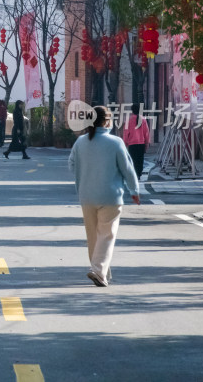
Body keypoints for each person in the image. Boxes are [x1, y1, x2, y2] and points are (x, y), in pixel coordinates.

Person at [69, 105, 140, 287]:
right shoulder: (115, 142)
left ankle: (101, 273)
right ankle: (98, 271)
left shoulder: (80, 142)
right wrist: (134, 191)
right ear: (107, 121)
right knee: (106, 236)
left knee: (93, 236)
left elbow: (71, 165)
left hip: (86, 196)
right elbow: (128, 169)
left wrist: (86, 172)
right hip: (110, 197)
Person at [122, 103, 150, 179]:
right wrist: (147, 143)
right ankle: (139, 174)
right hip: (141, 143)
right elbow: (146, 132)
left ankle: (134, 174)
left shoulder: (129, 120)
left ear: (132, 111)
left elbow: (125, 133)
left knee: (132, 159)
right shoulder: (143, 119)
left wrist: (125, 143)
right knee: (140, 159)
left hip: (132, 144)